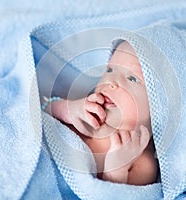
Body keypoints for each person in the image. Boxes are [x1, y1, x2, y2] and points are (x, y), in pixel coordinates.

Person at [43, 41, 159, 185]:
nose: (112, 81)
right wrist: (65, 109)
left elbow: (113, 195)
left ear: (159, 107)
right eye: (110, 70)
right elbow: (42, 112)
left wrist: (115, 171)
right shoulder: (88, 109)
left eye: (132, 78)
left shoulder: (141, 161)